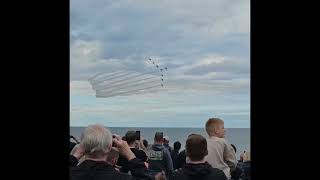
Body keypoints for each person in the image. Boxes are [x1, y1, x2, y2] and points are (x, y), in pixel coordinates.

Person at [69, 124, 152, 180]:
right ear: (109, 147)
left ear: (83, 146)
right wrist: (129, 154)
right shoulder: (121, 178)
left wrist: (77, 154)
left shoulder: (73, 173)